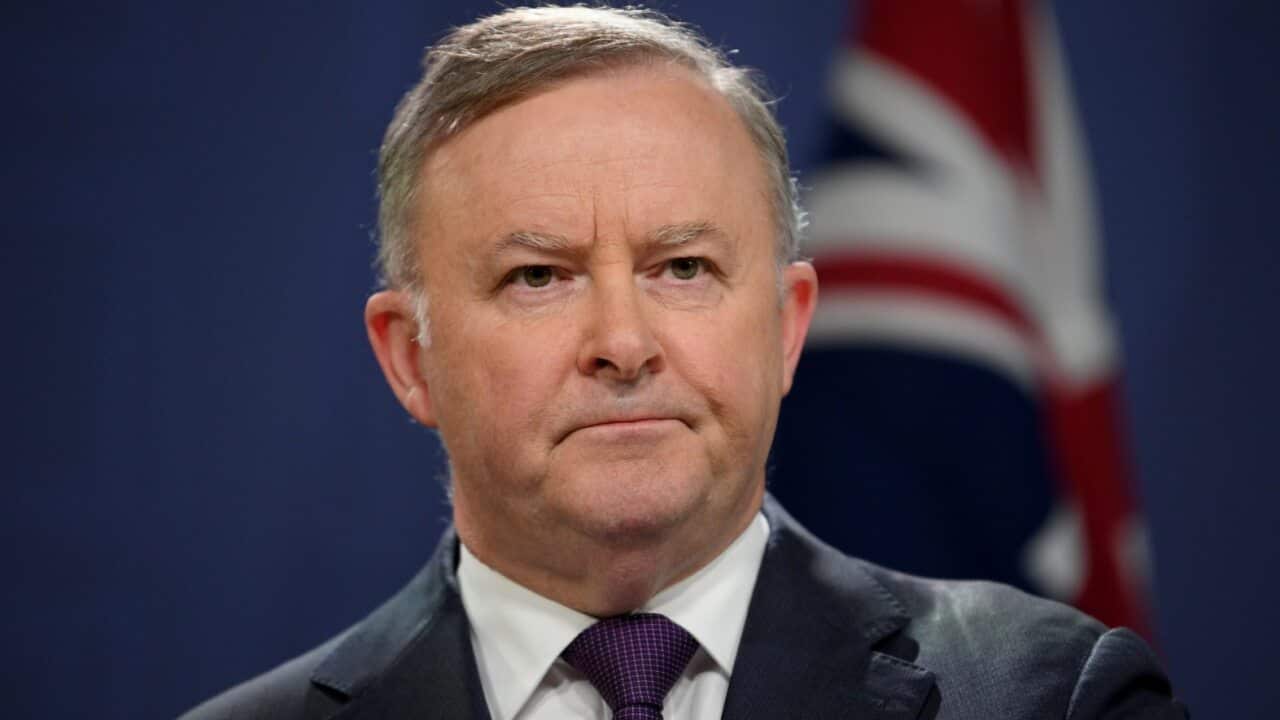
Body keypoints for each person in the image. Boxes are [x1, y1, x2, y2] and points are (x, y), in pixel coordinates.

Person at [182, 6, 1187, 719]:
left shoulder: (1051, 699)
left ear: (786, 326)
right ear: (410, 359)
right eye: (539, 277)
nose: (623, 344)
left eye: (683, 266)